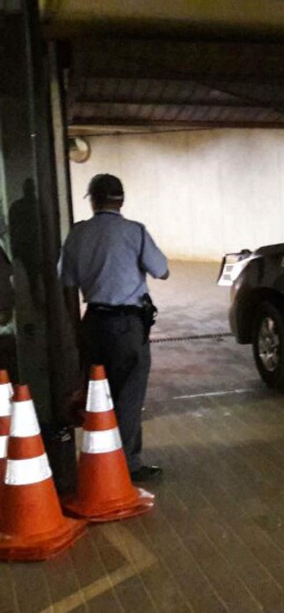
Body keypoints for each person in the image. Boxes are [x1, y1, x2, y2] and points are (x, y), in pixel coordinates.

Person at [59, 174, 169, 482]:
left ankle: (98, 459)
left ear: (93, 200)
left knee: (99, 395)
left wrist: (74, 330)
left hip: (92, 322)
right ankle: (124, 466)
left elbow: (67, 284)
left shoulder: (78, 234)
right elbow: (162, 270)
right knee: (129, 395)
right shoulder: (134, 231)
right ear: (121, 200)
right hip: (126, 325)